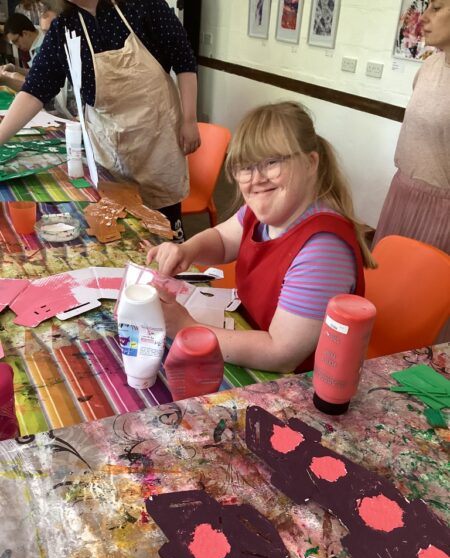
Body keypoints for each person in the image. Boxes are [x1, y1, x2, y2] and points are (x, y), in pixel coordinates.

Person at [145, 101, 376, 374]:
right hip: (248, 342)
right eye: (245, 167)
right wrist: (188, 250)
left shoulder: (323, 250)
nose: (256, 179)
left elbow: (281, 353)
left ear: (311, 162)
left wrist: (186, 327)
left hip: (292, 383)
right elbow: (222, 241)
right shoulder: (263, 212)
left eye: (272, 163)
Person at [0, 0, 200, 242]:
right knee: (124, 233)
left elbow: (184, 60)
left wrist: (189, 119)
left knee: (164, 234)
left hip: (157, 139)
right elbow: (35, 90)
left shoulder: (145, 6)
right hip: (109, 146)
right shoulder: (64, 26)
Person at [373, 0, 450, 254]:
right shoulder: (429, 67)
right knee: (384, 280)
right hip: (403, 193)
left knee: (422, 288)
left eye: (437, 8)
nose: (423, 17)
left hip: (440, 212)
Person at [0, 13, 45, 91]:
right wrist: (14, 68)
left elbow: (38, 86)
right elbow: (35, 71)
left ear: (25, 33)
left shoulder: (44, 47)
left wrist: (9, 79)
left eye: (16, 41)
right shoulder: (36, 35)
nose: (17, 46)